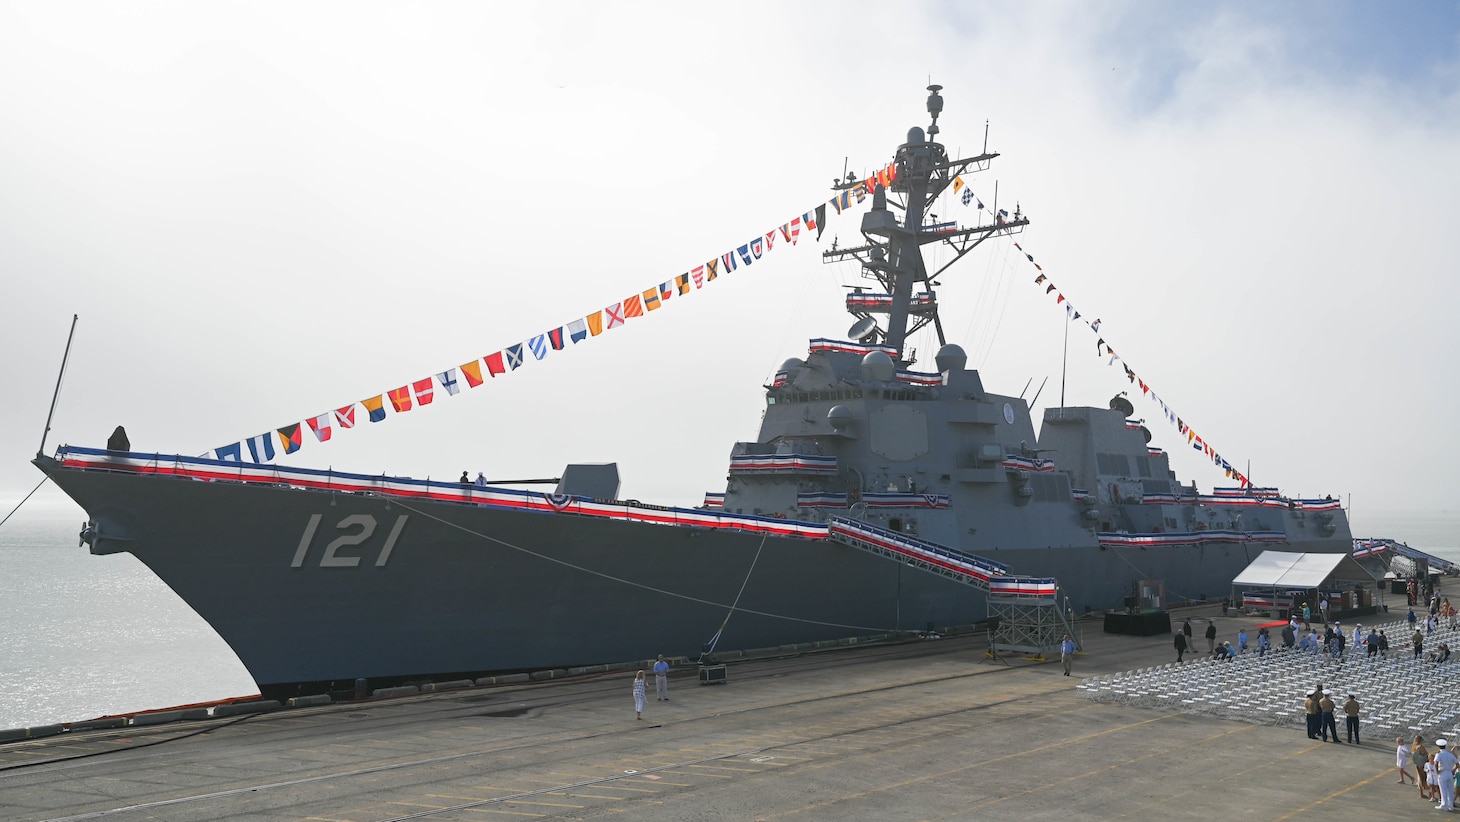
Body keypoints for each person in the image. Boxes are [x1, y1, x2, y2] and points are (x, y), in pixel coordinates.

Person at [1436, 738, 1458, 811]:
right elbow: (1457, 764)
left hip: (1442, 772)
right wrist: (1453, 770)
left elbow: (1436, 763)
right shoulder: (1450, 754)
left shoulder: (1439, 754)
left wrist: (1437, 771)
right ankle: (1450, 806)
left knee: (1443, 789)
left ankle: (1443, 805)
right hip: (1449, 772)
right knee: (1450, 790)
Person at [1415, 735, 1433, 800]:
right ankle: (1429, 794)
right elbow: (1426, 754)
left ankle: (1421, 793)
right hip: (1422, 764)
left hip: (1417, 764)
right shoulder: (1421, 747)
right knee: (1424, 778)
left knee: (1419, 778)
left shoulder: (1415, 747)